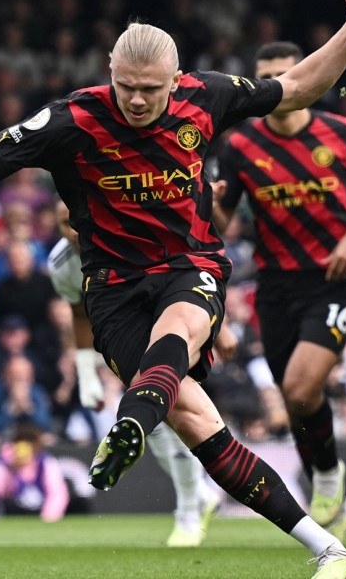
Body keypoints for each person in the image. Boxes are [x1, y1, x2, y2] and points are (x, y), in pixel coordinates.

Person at [0, 0, 346, 576]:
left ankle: (132, 419)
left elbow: (300, 87)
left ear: (176, 78)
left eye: (151, 89)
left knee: (178, 331)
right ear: (110, 71)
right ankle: (332, 550)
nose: (137, 99)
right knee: (202, 426)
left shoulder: (206, 96)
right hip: (112, 290)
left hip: (191, 267)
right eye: (127, 86)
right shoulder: (71, 119)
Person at [212, 41, 346, 540]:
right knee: (297, 399)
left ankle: (329, 477)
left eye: (285, 74)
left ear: (307, 76)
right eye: (265, 76)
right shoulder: (241, 147)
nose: (277, 85)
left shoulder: (342, 134)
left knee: (298, 386)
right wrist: (213, 205)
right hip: (274, 288)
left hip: (333, 281)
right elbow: (221, 224)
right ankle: (336, 496)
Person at [49, 199, 220, 547]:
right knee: (152, 426)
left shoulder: (130, 235)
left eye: (75, 221)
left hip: (170, 326)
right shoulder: (62, 265)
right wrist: (85, 376)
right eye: (64, 225)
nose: (73, 231)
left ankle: (189, 511)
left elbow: (189, 271)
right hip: (128, 339)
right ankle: (198, 496)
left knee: (172, 414)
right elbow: (80, 314)